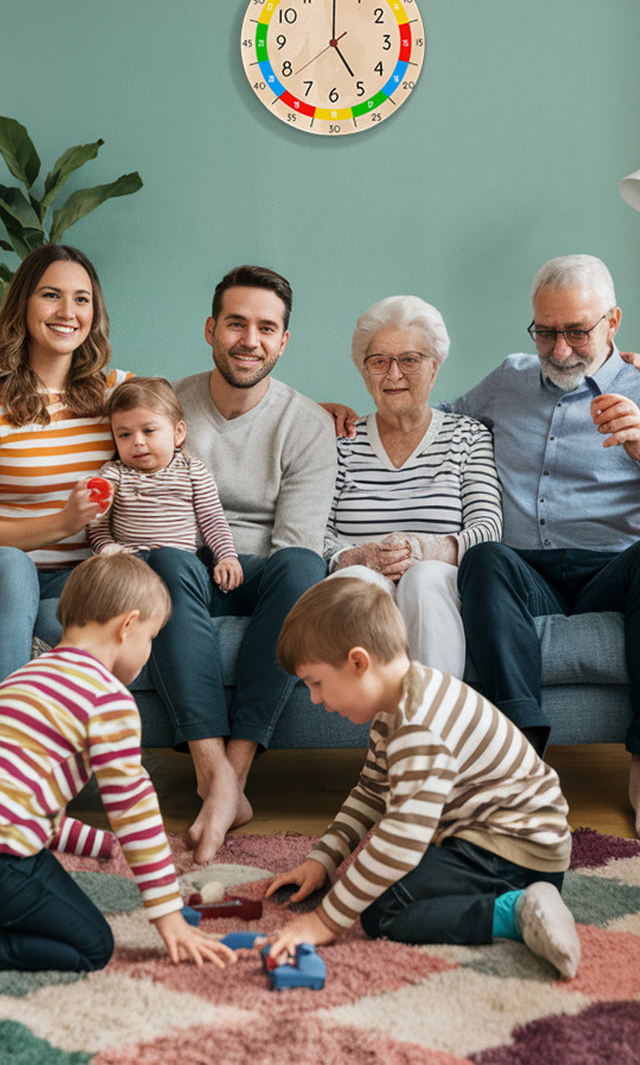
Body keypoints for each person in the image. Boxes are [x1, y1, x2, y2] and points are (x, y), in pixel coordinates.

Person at [0, 552, 234, 982]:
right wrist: (168, 915)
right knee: (91, 944)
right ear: (128, 625)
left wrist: (95, 844)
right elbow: (134, 810)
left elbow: (12, 800)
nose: (148, 651)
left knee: (31, 875)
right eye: (151, 637)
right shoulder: (107, 697)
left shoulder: (27, 676)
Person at [453, 254, 640, 839]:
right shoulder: (507, 379)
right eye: (546, 331)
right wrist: (342, 419)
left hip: (616, 569)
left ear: (613, 322)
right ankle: (523, 767)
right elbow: (434, 424)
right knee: (484, 557)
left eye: (577, 331)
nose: (560, 348)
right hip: (527, 572)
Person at [264, 577, 580, 979]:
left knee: (384, 911)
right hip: (500, 840)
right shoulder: (396, 706)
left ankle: (515, 911)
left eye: (316, 683)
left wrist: (325, 922)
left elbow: (400, 842)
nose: (315, 699)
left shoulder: (418, 726)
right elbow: (371, 792)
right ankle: (517, 897)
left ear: (358, 662)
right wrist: (323, 860)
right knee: (376, 885)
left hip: (515, 852)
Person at [145, 265, 337, 864]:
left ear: (283, 341)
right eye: (236, 323)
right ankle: (214, 778)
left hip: (261, 573)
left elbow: (296, 539)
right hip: (186, 566)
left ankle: (235, 772)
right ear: (211, 329)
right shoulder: (169, 407)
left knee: (303, 568)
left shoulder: (307, 423)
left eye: (265, 328)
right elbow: (145, 501)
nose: (248, 340)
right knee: (170, 560)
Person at [0, 243, 130, 714]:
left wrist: (310, 409)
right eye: (52, 295)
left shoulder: (116, 392)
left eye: (82, 299)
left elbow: (195, 412)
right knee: (12, 566)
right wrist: (64, 521)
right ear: (23, 305)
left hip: (76, 576)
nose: (68, 312)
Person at [323, 295, 502, 677]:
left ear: (434, 368)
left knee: (422, 578)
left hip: (439, 582)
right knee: (361, 583)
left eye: (409, 360)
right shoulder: (342, 442)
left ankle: (431, 727)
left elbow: (488, 530)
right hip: (361, 578)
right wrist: (359, 556)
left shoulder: (467, 435)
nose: (393, 375)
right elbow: (313, 532)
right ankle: (388, 724)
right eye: (378, 362)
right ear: (363, 371)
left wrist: (427, 549)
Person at [86, 376, 243, 593]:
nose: (137, 442)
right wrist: (108, 548)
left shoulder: (192, 471)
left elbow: (213, 520)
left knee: (174, 565)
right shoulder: (114, 475)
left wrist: (226, 557)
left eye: (149, 431)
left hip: (180, 565)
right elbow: (96, 525)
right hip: (130, 568)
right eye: (124, 435)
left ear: (178, 433)